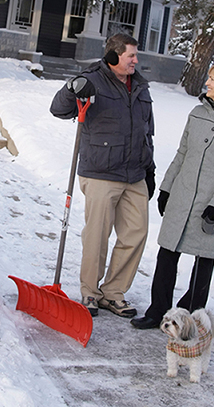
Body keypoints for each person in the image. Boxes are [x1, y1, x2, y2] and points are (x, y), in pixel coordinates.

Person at [130, 64, 214, 329]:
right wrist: (167, 187)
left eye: (213, 78)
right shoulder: (197, 113)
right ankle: (157, 311)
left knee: (203, 262)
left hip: (211, 200)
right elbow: (182, 153)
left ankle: (190, 318)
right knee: (167, 255)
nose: (207, 82)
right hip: (183, 194)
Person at [50, 33, 156, 318]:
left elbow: (148, 132)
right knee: (97, 235)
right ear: (113, 56)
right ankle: (90, 293)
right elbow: (59, 110)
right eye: (131, 55)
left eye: (136, 55)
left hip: (135, 174)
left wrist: (150, 170)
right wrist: (72, 89)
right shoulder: (92, 79)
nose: (136, 60)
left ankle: (113, 292)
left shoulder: (141, 87)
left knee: (136, 233)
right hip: (101, 172)